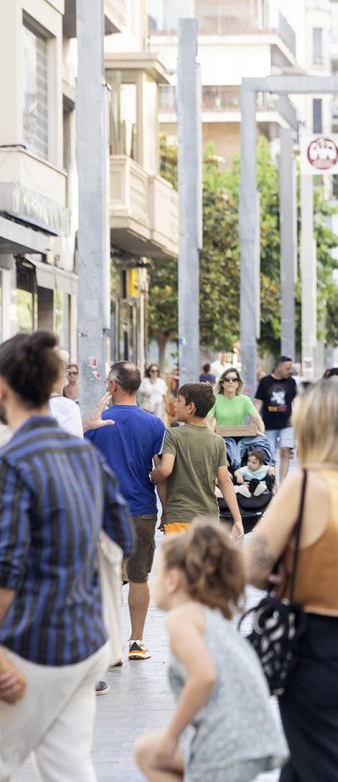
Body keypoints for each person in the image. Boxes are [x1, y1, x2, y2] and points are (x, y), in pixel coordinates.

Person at [243, 377, 338, 782]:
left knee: (331, 773)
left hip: (314, 647)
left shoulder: (307, 483)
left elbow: (250, 564)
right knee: (303, 770)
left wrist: (277, 573)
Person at [0, 331, 134, 781]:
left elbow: (7, 568)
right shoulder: (84, 456)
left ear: (3, 388)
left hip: (28, 649)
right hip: (84, 643)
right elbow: (122, 539)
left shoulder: (12, 462)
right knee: (69, 769)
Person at [133, 525, 287, 782]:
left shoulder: (181, 618)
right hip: (249, 737)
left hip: (222, 744)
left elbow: (204, 676)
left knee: (154, 752)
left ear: (173, 581)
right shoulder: (208, 617)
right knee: (146, 751)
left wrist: (172, 736)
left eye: (157, 574)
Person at [85, 361, 167, 662]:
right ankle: (136, 642)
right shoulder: (154, 424)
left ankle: (109, 644)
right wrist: (167, 510)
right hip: (142, 509)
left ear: (113, 386)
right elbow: (161, 472)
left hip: (102, 512)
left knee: (105, 580)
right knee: (139, 577)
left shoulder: (97, 422)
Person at [151, 383, 244, 540]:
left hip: (179, 517)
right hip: (209, 520)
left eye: (179, 401)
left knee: (179, 565)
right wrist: (238, 519)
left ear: (190, 407)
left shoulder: (173, 435)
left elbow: (165, 470)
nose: (175, 404)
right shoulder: (217, 441)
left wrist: (153, 475)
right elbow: (225, 481)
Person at [208, 367, 266, 467]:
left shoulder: (244, 400)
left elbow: (257, 418)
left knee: (264, 446)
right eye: (227, 379)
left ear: (238, 383)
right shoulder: (215, 399)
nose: (230, 382)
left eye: (234, 379)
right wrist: (212, 437)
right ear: (222, 383)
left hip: (241, 440)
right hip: (222, 439)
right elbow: (208, 421)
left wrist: (261, 432)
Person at [254, 356, 298, 483]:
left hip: (287, 424)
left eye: (290, 368)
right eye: (287, 368)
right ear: (278, 367)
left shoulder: (291, 382)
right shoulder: (265, 382)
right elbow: (259, 402)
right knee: (269, 453)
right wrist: (254, 421)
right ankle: (270, 481)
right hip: (269, 424)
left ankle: (282, 482)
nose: (290, 370)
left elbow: (296, 401)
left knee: (285, 451)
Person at [49, 350, 83, 436]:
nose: (71, 375)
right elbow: (74, 446)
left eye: (74, 373)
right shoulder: (68, 407)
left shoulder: (24, 405)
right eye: (67, 372)